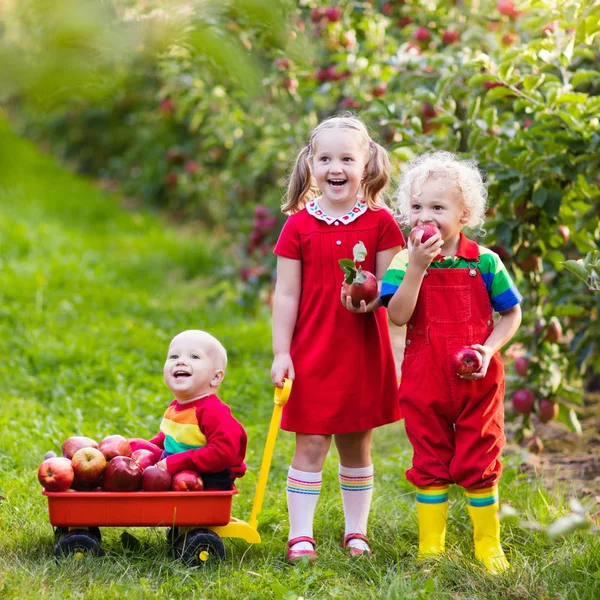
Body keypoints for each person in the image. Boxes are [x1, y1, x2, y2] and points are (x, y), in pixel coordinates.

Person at [270, 114, 405, 563]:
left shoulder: (381, 223)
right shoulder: (298, 226)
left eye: (347, 158)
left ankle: (356, 532)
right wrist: (281, 353)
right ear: (311, 164)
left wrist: (371, 301)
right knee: (309, 442)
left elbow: (389, 288)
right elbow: (286, 293)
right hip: (312, 349)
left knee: (355, 441)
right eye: (325, 157)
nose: (336, 167)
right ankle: (301, 534)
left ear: (366, 165)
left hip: (361, 350)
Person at [381, 151, 522, 573]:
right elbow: (398, 315)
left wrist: (489, 349)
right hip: (425, 378)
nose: (426, 216)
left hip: (477, 379)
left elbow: (511, 313)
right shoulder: (406, 261)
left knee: (480, 458)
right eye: (418, 207)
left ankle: (488, 546)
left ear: (465, 214)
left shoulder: (485, 262)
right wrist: (418, 269)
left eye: (438, 208)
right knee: (429, 458)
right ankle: (431, 547)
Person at [144, 329, 247, 490]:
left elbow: (223, 453)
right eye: (174, 356)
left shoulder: (213, 412)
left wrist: (175, 463)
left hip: (206, 481)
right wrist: (142, 450)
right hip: (175, 474)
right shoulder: (175, 407)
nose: (181, 362)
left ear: (215, 377)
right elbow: (172, 437)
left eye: (194, 357)